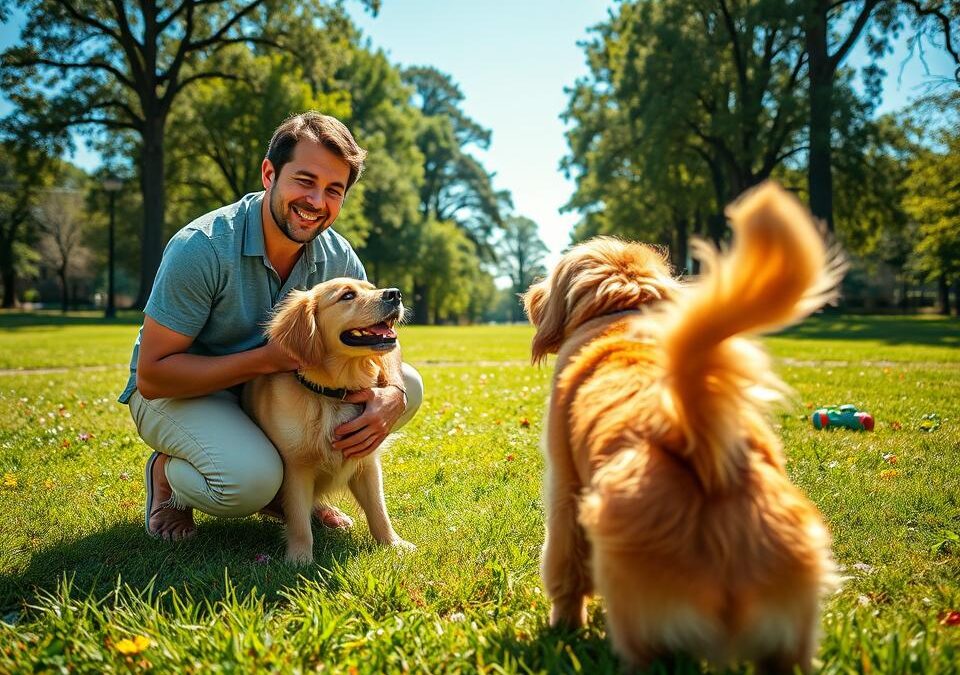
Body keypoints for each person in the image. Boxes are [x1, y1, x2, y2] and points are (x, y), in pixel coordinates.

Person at [118, 112, 423, 541]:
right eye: (305, 181)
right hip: (182, 392)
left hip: (270, 395)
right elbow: (153, 377)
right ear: (269, 174)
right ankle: (170, 476)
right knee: (248, 481)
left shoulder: (338, 256)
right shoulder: (202, 248)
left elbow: (381, 334)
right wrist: (268, 360)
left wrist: (393, 392)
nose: (316, 201)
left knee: (411, 384)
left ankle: (292, 496)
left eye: (333, 190)